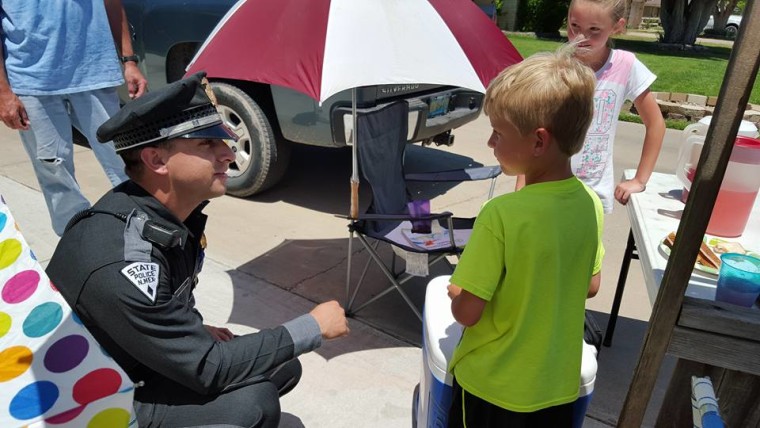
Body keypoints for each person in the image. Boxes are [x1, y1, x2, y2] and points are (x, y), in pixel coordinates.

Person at [46, 72, 350, 427]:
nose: (228, 152)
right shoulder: (121, 259)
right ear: (156, 161)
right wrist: (312, 327)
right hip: (89, 398)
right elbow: (208, 368)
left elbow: (160, 305)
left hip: (132, 359)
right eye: (207, 144)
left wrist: (191, 330)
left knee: (281, 364)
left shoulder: (164, 215)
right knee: (253, 402)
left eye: (222, 138)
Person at [445, 47, 605, 427]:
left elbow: (466, 313)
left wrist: (458, 292)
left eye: (498, 133)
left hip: (491, 388)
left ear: (538, 141)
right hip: (555, 389)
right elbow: (592, 285)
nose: (490, 144)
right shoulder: (589, 203)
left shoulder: (501, 215)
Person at [0, 0, 148, 236]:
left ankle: (146, 226)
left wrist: (129, 61)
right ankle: (76, 238)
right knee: (54, 169)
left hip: (94, 67)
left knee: (126, 156)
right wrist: (4, 92)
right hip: (31, 77)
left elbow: (112, 3)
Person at [516, 0, 665, 213]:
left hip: (592, 193)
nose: (580, 37)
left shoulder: (626, 65)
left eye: (594, 29)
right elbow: (532, 129)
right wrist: (522, 182)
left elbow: (656, 123)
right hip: (543, 185)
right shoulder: (555, 67)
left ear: (617, 26)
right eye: (574, 25)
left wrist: (640, 179)